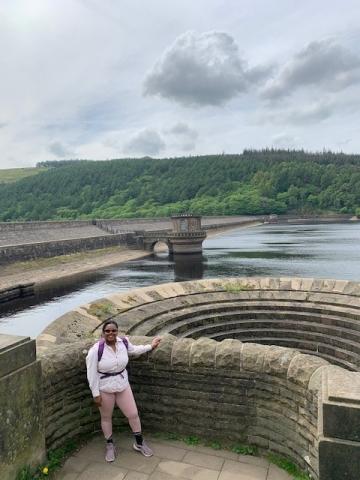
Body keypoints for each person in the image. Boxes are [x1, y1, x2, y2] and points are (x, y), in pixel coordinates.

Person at [86, 320, 161, 462]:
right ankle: (109, 445)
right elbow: (91, 374)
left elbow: (134, 350)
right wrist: (96, 394)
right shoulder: (96, 351)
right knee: (106, 417)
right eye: (107, 331)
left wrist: (150, 346)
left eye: (113, 330)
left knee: (133, 414)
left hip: (122, 385)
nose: (110, 333)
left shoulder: (123, 343)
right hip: (105, 388)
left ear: (117, 331)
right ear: (103, 333)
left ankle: (139, 443)